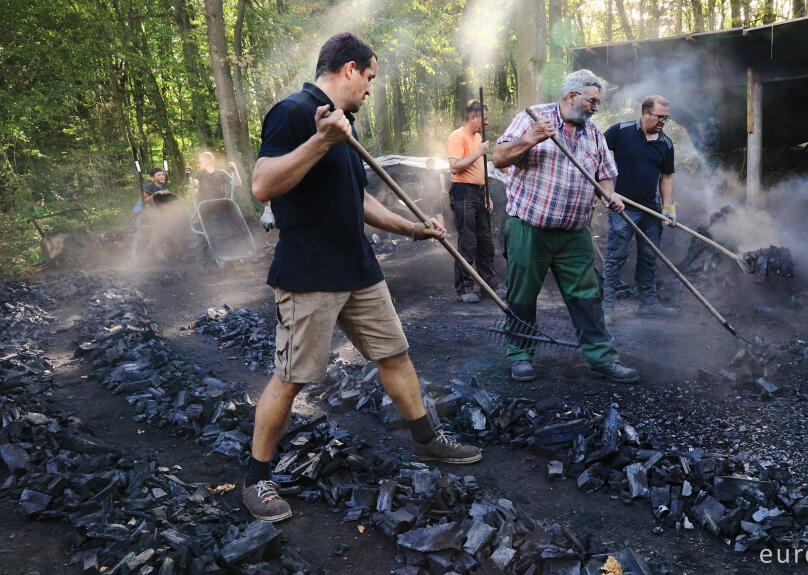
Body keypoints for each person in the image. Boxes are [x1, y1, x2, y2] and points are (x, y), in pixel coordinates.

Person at [245, 32, 482, 523]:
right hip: (310, 272)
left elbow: (361, 201)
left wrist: (413, 229)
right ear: (349, 69)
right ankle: (255, 479)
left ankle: (427, 441)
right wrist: (320, 140)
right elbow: (263, 186)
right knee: (291, 379)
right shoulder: (293, 112)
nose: (370, 88)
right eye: (369, 77)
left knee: (394, 354)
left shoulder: (343, 125)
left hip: (359, 269)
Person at [492, 69, 640, 384]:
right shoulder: (532, 118)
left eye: (598, 102)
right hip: (529, 228)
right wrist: (531, 138)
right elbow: (499, 157)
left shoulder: (594, 133)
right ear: (572, 96)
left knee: (587, 296)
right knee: (522, 295)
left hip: (574, 233)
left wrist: (609, 194)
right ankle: (520, 355)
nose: (596, 107)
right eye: (593, 101)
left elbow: (604, 173)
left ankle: (601, 358)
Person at [602, 95, 676, 310]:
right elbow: (596, 151)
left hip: (651, 210)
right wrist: (605, 188)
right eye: (660, 117)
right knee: (616, 255)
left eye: (666, 118)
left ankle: (648, 302)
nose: (663, 122)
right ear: (645, 113)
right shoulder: (621, 131)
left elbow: (667, 177)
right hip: (621, 206)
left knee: (649, 256)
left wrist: (668, 208)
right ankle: (608, 303)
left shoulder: (666, 143)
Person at [447, 99, 500, 303]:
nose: (486, 123)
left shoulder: (478, 138)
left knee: (485, 242)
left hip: (479, 193)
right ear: (473, 117)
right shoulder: (457, 137)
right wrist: (479, 152)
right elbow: (455, 167)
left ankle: (488, 285)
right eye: (484, 119)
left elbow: (480, 169)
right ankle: (465, 288)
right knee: (468, 242)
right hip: (463, 193)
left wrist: (486, 193)